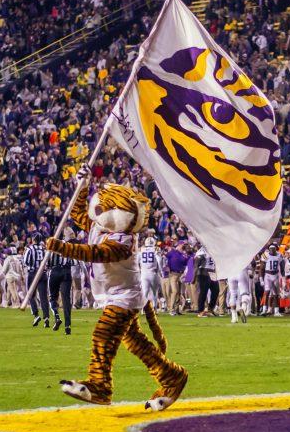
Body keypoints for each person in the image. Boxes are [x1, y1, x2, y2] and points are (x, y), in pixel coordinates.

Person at [53, 168, 187, 410]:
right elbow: (76, 212)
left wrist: (64, 248)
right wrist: (82, 187)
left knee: (103, 334)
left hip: (124, 296)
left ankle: (99, 386)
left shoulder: (124, 239)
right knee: (136, 344)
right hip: (114, 294)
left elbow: (98, 254)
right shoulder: (99, 227)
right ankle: (172, 377)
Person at [45, 236, 74, 334]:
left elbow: (47, 263)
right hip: (67, 272)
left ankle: (57, 317)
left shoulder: (52, 245)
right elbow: (73, 262)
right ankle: (67, 326)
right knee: (66, 299)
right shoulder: (68, 245)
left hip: (55, 271)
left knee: (52, 297)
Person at [23, 237, 49, 326]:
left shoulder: (30, 248)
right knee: (43, 297)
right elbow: (47, 262)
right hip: (42, 273)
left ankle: (36, 315)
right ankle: (46, 318)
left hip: (33, 273)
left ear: (33, 240)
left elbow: (25, 261)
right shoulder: (43, 248)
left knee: (30, 295)